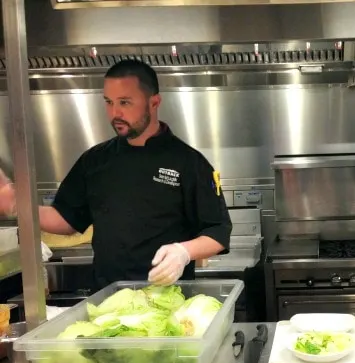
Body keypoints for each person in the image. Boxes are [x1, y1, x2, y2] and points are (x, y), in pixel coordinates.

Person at [0, 59, 232, 290]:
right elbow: (66, 219)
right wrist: (17, 205)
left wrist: (184, 252)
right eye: (109, 102)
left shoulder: (189, 162)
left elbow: (218, 232)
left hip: (167, 300)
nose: (115, 113)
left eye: (125, 102)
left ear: (154, 103)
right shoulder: (95, 160)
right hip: (107, 299)